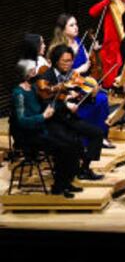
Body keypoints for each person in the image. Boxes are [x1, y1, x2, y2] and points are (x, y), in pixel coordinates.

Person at [10, 60, 89, 196]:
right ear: (26, 74)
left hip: (41, 129)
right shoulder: (19, 94)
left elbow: (43, 103)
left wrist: (57, 103)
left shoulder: (34, 88)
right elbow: (22, 121)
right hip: (29, 136)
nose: (36, 73)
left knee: (72, 142)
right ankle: (59, 186)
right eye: (33, 71)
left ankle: (66, 182)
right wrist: (43, 116)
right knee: (63, 147)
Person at [40, 44, 107, 175]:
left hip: (69, 117)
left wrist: (90, 94)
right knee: (70, 142)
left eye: (70, 61)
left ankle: (85, 167)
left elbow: (81, 95)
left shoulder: (72, 75)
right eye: (65, 61)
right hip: (54, 120)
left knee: (98, 133)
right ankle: (68, 173)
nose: (68, 64)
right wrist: (65, 104)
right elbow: (45, 102)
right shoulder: (46, 78)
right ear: (55, 60)